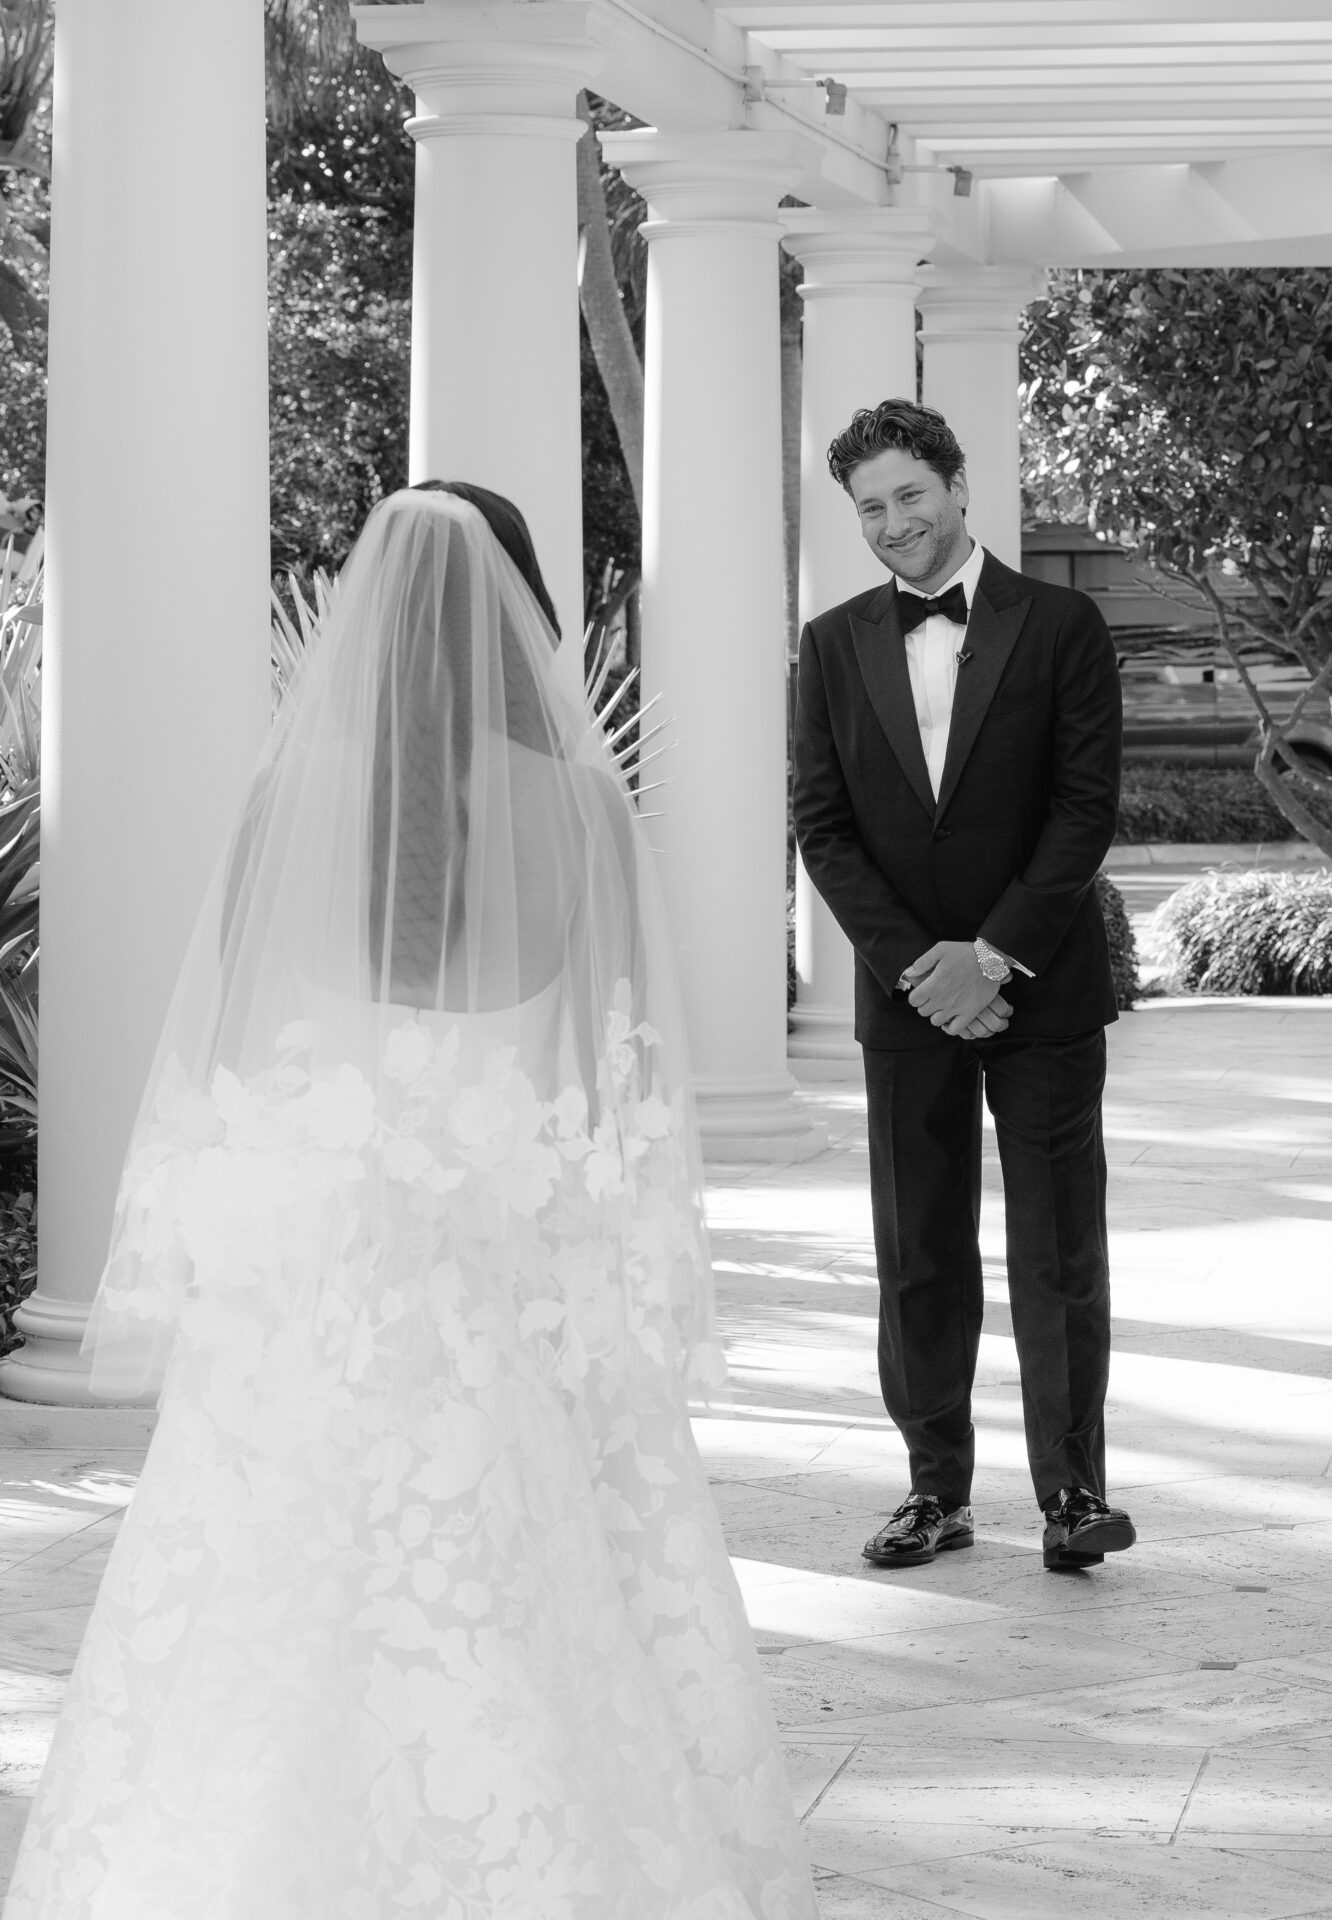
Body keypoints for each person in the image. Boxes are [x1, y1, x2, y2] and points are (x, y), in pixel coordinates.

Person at [6, 486, 818, 1920]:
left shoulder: (289, 800)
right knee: (539, 1562)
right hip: (507, 1242)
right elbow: (615, 1069)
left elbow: (234, 1059)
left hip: (326, 1261)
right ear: (520, 615)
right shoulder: (578, 802)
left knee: (279, 1569)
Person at [792, 399, 1136, 1576]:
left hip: (1039, 990)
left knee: (1057, 1249)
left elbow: (1085, 808)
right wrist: (917, 967)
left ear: (957, 482)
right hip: (906, 999)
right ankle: (934, 1491)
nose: (894, 523)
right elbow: (823, 829)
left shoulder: (1062, 623)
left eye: (909, 495)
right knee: (919, 1253)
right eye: (871, 508)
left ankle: (1073, 1492)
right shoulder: (830, 645)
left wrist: (988, 956)